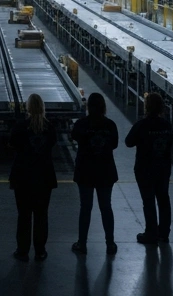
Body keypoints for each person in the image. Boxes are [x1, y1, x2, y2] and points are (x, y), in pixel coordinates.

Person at [9, 93, 57, 261]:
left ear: (27, 108)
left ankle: (22, 251)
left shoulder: (20, 127)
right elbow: (52, 145)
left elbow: (13, 145)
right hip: (44, 176)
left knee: (24, 215)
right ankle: (40, 250)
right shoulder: (49, 127)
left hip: (23, 177)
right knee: (41, 215)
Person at [70, 92, 119, 255]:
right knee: (106, 207)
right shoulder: (110, 125)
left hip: (86, 171)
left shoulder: (81, 124)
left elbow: (73, 137)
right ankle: (110, 243)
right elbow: (114, 144)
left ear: (88, 107)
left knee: (85, 207)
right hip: (105, 171)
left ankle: (82, 243)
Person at [124, 92, 173, 245]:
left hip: (145, 168)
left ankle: (151, 233)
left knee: (149, 200)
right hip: (163, 168)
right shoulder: (166, 125)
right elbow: (171, 143)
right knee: (164, 199)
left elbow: (128, 142)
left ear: (147, 107)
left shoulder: (142, 125)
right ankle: (164, 233)